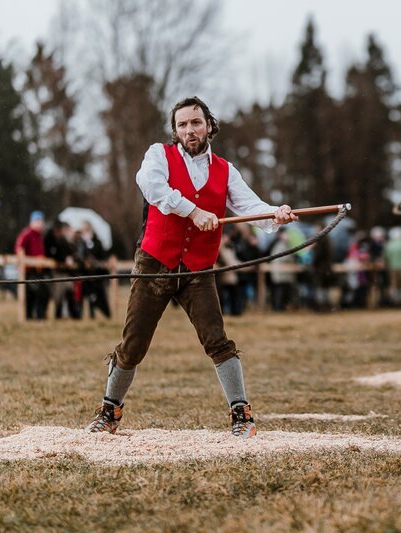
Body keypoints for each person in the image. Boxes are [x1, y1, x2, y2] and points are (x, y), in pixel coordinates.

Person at [85, 96, 297, 438]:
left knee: (217, 339)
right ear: (175, 130)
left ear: (209, 125)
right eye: (182, 124)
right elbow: (153, 187)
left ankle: (241, 413)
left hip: (198, 268)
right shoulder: (159, 155)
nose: (189, 130)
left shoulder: (225, 170)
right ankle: (110, 410)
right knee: (134, 343)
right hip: (155, 262)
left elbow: (249, 206)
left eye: (195, 122)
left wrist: (275, 214)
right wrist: (193, 211)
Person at [15, 211, 50, 320]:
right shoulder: (27, 233)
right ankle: (32, 316)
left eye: (41, 221)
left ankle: (39, 315)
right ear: (33, 222)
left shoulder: (40, 235)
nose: (40, 224)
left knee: (42, 293)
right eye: (38, 221)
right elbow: (19, 247)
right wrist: (23, 258)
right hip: (29, 270)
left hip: (38, 270)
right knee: (33, 294)